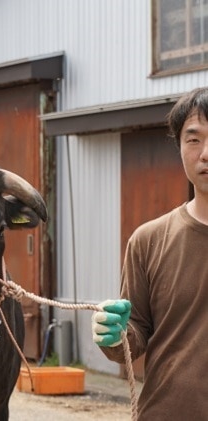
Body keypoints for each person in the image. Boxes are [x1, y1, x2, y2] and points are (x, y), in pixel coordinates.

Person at [91, 87, 208, 420]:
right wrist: (112, 333)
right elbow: (135, 335)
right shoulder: (148, 240)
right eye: (194, 139)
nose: (205, 154)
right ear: (179, 147)